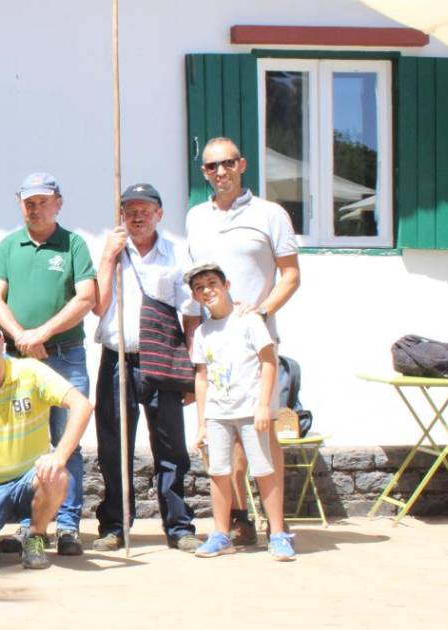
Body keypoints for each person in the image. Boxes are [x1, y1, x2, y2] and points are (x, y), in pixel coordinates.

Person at [186, 136, 301, 547]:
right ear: (204, 172)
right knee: (221, 442)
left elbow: (290, 275)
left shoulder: (270, 214)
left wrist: (263, 311)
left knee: (261, 437)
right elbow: (196, 280)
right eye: (211, 166)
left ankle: (277, 528)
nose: (220, 172)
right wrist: (192, 338)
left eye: (227, 164)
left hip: (256, 340)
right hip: (214, 344)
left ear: (242, 165)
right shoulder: (195, 217)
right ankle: (237, 520)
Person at [0, 172, 96, 556]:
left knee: (67, 442)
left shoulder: (74, 245)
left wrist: (41, 334)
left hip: (64, 356)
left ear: (58, 203)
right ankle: (31, 524)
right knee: (23, 443)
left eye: (43, 201)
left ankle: (67, 526)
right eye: (29, 202)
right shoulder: (7, 246)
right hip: (17, 359)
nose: (35, 208)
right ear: (20, 204)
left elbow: (85, 298)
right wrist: (21, 336)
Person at [91, 183, 201, 553]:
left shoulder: (175, 254)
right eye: (130, 209)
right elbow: (97, 305)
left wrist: (191, 367)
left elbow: (189, 312)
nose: (137, 216)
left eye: (145, 209)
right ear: (122, 214)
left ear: (159, 214)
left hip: (163, 356)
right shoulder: (112, 251)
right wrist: (108, 257)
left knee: (170, 445)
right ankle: (115, 525)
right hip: (117, 357)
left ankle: (179, 525)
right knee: (112, 445)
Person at [0, 316, 92, 570]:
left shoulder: (31, 371)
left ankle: (35, 536)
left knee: (57, 475)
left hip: (30, 478)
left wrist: (59, 456)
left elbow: (82, 404)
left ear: (1, 341)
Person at [185, 263, 293, 561]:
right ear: (195, 296)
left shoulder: (249, 320)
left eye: (212, 283)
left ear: (226, 284)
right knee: (219, 472)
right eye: (199, 288)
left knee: (264, 471)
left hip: (251, 411)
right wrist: (202, 423)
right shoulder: (204, 332)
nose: (207, 290)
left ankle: (278, 533)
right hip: (218, 414)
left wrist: (263, 405)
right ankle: (220, 534)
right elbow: (202, 377)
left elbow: (269, 361)